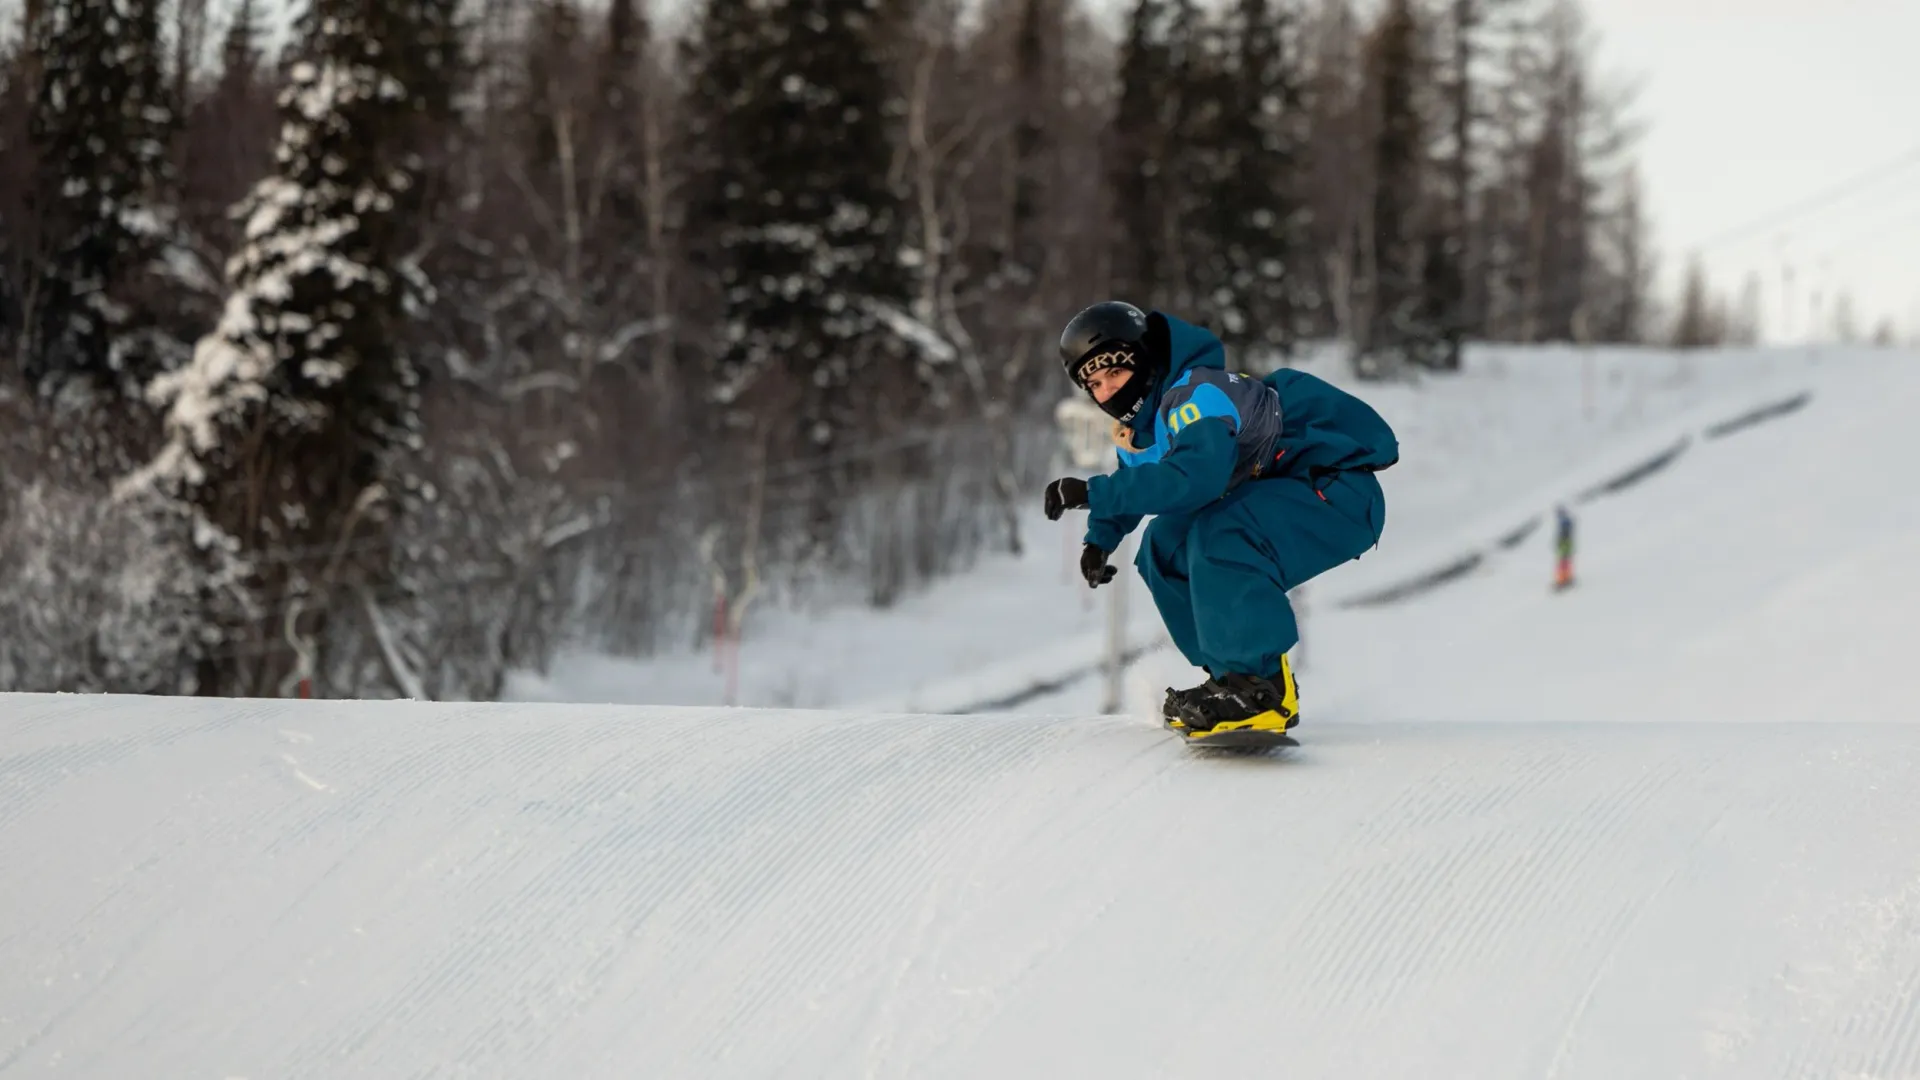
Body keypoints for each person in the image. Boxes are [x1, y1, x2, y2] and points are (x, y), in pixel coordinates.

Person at [1042, 301, 1399, 742]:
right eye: (1093, 384)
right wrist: (1101, 538)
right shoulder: (1145, 430)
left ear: (1145, 357)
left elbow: (1197, 478)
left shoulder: (1197, 396)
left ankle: (1259, 687)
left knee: (1222, 533)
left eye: (1115, 372)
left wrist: (1091, 493)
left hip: (1334, 491)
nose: (1107, 391)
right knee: (1164, 545)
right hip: (1282, 494)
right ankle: (1234, 678)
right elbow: (1137, 482)